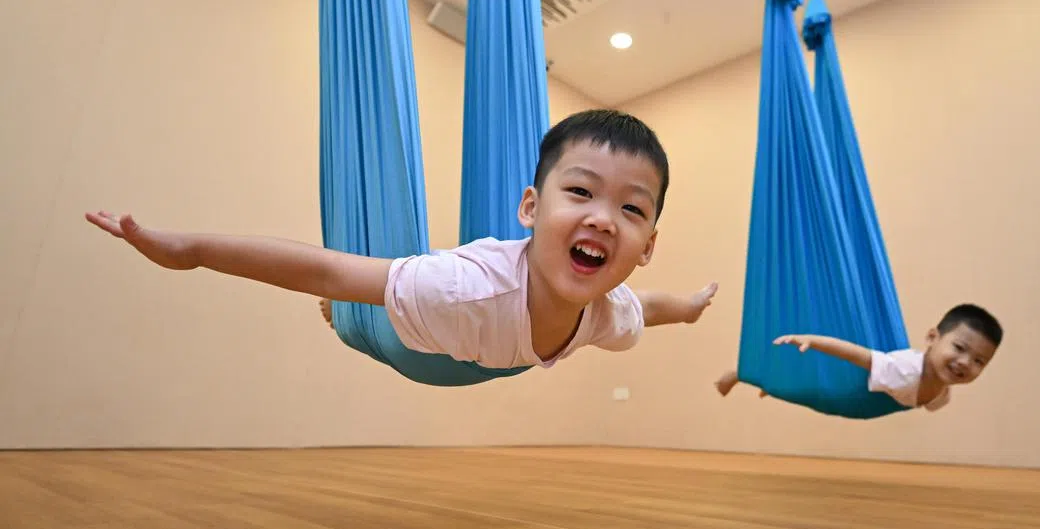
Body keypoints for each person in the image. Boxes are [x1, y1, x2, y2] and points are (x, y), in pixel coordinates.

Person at [86, 109, 717, 371]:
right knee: (358, 301)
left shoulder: (607, 313)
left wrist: (689, 308)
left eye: (630, 208)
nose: (603, 219)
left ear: (647, 246)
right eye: (580, 192)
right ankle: (351, 319)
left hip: (488, 353)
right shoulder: (457, 287)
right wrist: (190, 252)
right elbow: (329, 271)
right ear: (530, 207)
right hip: (415, 344)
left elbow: (648, 306)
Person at [714, 304, 1002, 411]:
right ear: (931, 338)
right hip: (851, 393)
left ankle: (776, 383)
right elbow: (856, 354)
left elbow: (931, 403)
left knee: (801, 389)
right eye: (959, 347)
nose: (965, 362)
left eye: (979, 361)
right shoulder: (904, 369)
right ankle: (743, 373)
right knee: (809, 392)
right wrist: (813, 340)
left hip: (867, 399)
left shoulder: (943, 388)